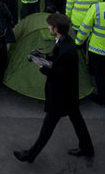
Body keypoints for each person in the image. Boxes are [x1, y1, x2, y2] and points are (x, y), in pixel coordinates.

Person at [14, 13, 94, 163]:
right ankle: (87, 149)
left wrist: (40, 65)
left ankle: (30, 155)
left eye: (50, 26)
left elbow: (57, 74)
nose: (48, 28)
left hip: (61, 96)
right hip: (69, 95)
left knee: (47, 128)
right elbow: (55, 58)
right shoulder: (65, 41)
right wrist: (42, 56)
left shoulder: (67, 50)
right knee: (77, 121)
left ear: (56, 28)